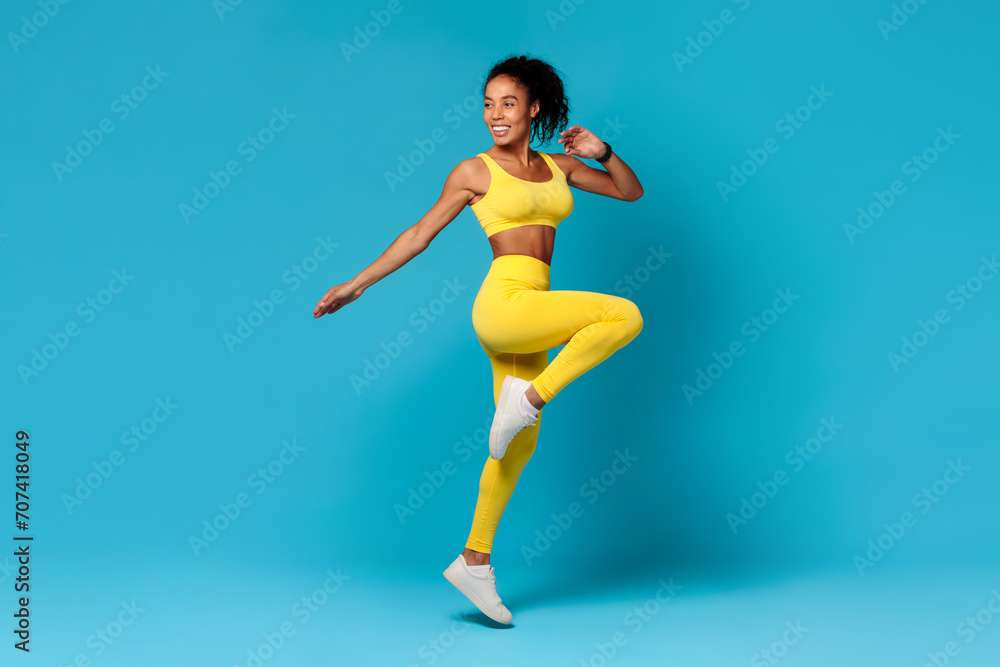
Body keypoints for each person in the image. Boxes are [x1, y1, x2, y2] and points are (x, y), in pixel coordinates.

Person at [313, 55, 644, 625]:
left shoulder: (559, 166)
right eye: (488, 104)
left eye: (508, 103)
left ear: (534, 107)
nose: (495, 115)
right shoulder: (475, 172)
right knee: (624, 316)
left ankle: (475, 561)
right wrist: (356, 284)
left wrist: (604, 152)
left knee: (517, 444)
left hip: (536, 305)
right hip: (506, 304)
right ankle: (532, 398)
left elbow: (629, 192)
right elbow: (418, 235)